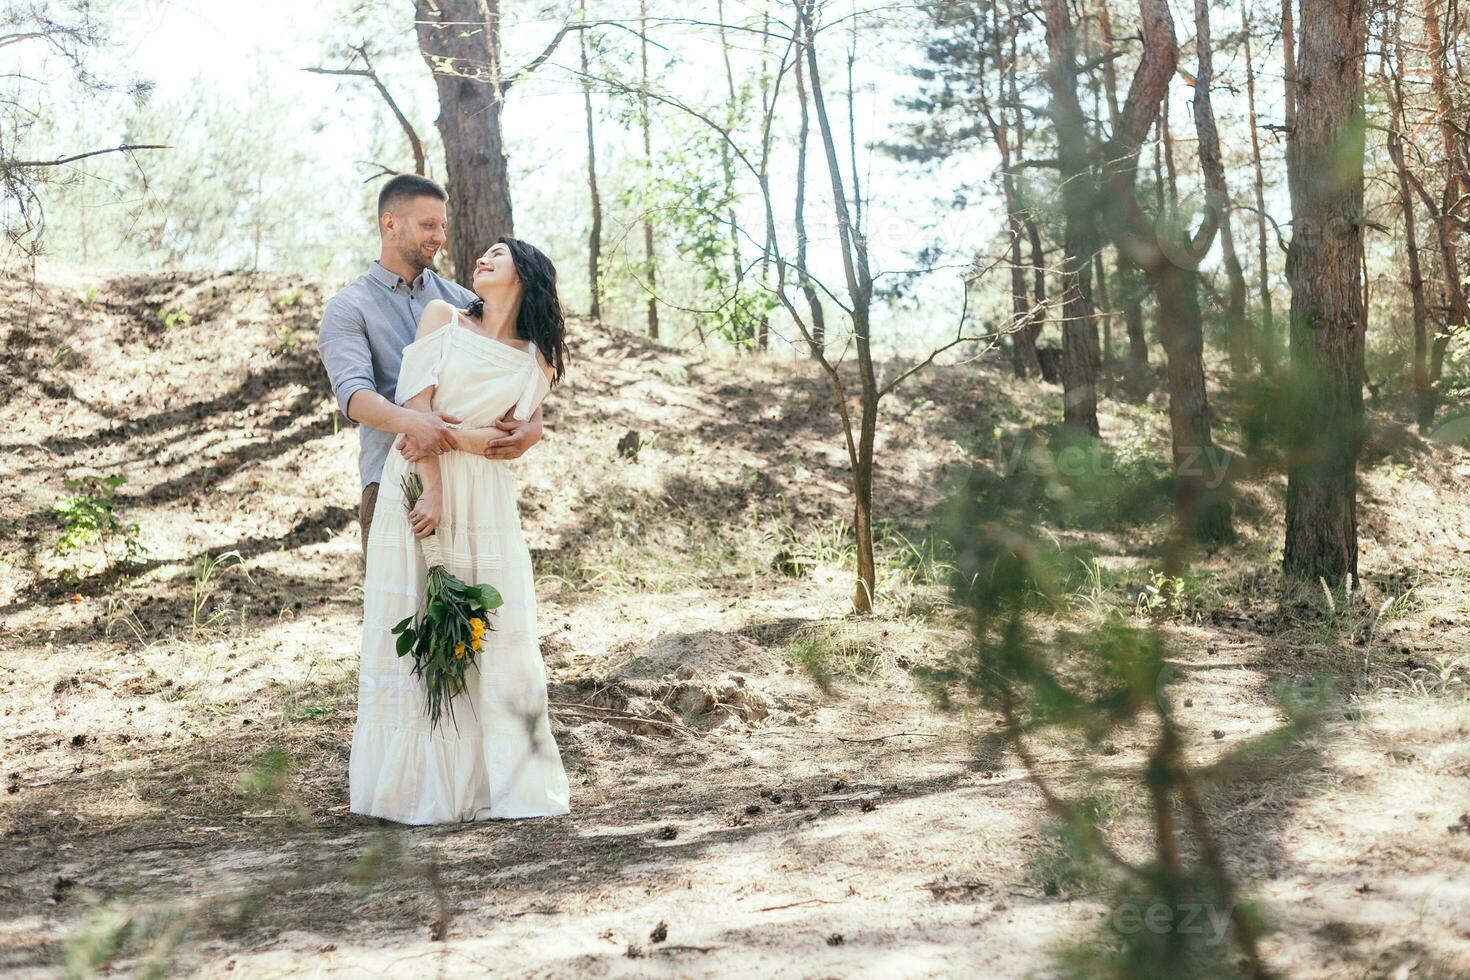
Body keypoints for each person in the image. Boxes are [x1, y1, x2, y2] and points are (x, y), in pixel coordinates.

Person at [348, 235, 572, 824]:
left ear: (525, 275)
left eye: (498, 256)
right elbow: (416, 416)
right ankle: (417, 787)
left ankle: (495, 782)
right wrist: (438, 488)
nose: (482, 259)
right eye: (483, 255)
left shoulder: (536, 360)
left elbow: (512, 437)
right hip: (423, 485)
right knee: (422, 619)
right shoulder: (442, 316)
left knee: (491, 629)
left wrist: (518, 436)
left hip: (489, 499)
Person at [315, 174, 544, 564]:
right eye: (427, 225)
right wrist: (415, 422)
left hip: (466, 486)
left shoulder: (465, 300)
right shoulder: (348, 308)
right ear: (390, 224)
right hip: (390, 478)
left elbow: (513, 365)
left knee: (473, 618)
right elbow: (354, 396)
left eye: (442, 225)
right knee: (402, 617)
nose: (439, 236)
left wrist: (534, 424)